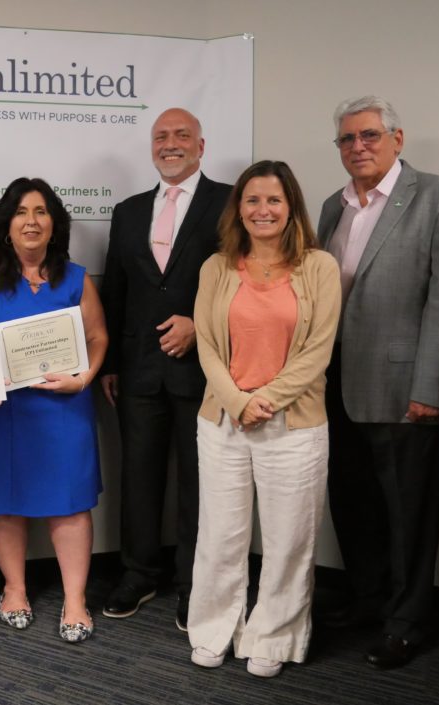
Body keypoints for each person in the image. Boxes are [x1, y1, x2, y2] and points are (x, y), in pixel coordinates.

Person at [317, 96, 439, 668]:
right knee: (353, 501)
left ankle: (407, 621)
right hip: (337, 386)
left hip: (407, 388)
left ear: (397, 139)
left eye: (369, 136)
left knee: (409, 513)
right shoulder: (333, 209)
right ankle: (368, 598)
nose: (357, 147)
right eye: (346, 140)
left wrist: (432, 387)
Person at [189, 160, 341, 678]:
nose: (263, 210)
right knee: (220, 535)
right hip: (223, 421)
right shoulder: (216, 267)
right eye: (252, 200)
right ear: (239, 209)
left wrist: (265, 399)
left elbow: (318, 350)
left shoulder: (319, 267)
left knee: (289, 539)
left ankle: (273, 635)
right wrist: (237, 400)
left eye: (274, 200)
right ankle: (213, 629)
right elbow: (206, 345)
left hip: (293, 424)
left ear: (291, 206)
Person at [0, 177, 108, 643]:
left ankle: (76, 599)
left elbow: (99, 338)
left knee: (71, 505)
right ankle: (15, 590)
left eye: (41, 212)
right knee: (4, 501)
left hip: (64, 407)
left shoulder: (76, 277)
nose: (32, 221)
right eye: (22, 212)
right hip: (3, 410)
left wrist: (83, 379)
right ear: (7, 223)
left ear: (54, 224)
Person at [100, 108, 231, 627]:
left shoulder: (228, 203)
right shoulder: (129, 210)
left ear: (201, 145)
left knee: (200, 482)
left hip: (206, 367)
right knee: (139, 473)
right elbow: (117, 288)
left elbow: (243, 280)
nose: (170, 144)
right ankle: (138, 573)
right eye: (161, 137)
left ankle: (193, 582)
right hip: (136, 369)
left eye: (181, 136)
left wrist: (200, 324)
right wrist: (109, 362)